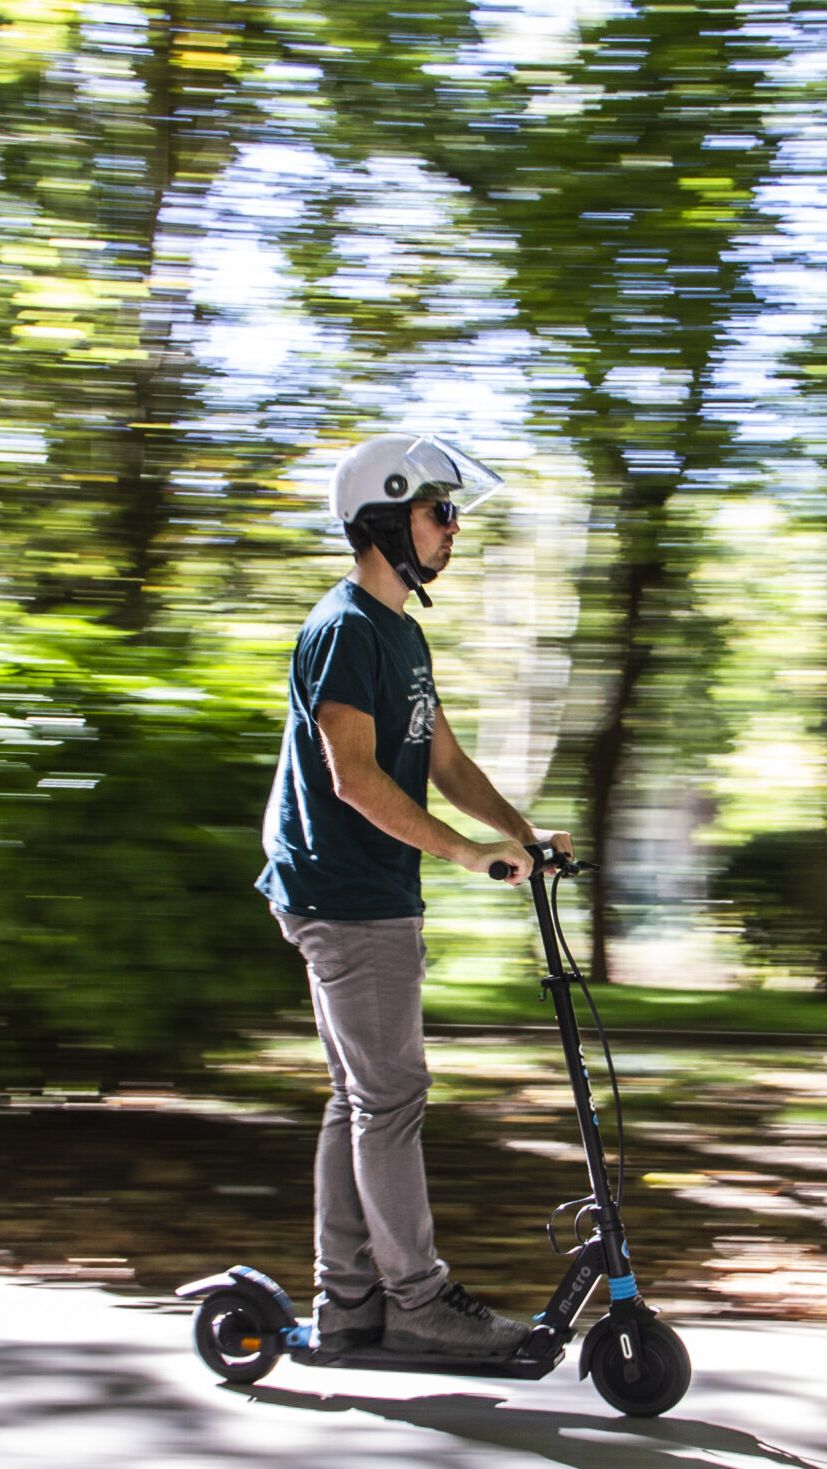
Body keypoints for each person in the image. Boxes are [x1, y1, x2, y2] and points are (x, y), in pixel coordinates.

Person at [256, 432, 570, 1360]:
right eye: (439, 513)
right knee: (389, 1095)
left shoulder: (400, 630)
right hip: (346, 892)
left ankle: (349, 1303)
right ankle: (417, 1300)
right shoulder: (346, 627)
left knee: (360, 1096)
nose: (453, 529)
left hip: (360, 887)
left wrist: (521, 837)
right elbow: (354, 777)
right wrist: (467, 856)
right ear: (387, 519)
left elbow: (443, 761)